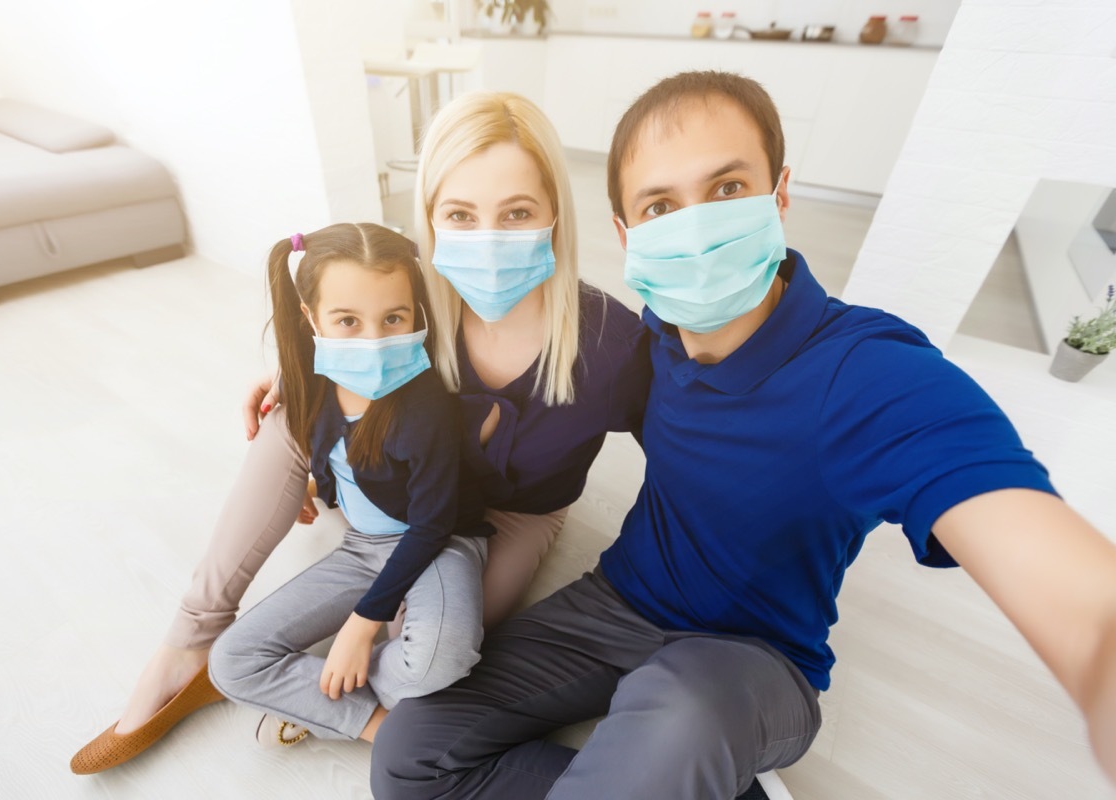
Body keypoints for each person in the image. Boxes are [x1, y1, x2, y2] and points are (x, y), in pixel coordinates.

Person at [369, 71, 1116, 799]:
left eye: (726, 190)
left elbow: (1044, 557)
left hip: (751, 661)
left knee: (679, 709)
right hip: (618, 603)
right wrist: (325, 391)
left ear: (779, 194)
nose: (695, 229)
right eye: (662, 205)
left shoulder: (866, 372)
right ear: (628, 235)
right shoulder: (645, 345)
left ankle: (683, 764)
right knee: (407, 753)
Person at [72, 92, 650, 772]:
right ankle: (190, 643)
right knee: (289, 413)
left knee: (436, 655)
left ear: (555, 212)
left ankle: (318, 693)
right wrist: (306, 381)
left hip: (509, 516)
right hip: (398, 495)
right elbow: (345, 316)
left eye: (516, 213)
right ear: (430, 214)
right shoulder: (416, 303)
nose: (487, 238)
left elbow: (679, 461)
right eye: (460, 214)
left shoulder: (612, 344)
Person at [72, 222, 491, 770]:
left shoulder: (424, 406)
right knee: (231, 662)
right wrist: (320, 483)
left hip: (436, 543)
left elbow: (433, 525)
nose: (373, 341)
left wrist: (361, 627)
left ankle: (317, 705)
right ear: (310, 318)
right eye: (347, 321)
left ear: (417, 315)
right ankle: (381, 730)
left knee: (443, 655)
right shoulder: (308, 387)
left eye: (394, 318)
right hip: (364, 547)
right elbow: (336, 452)